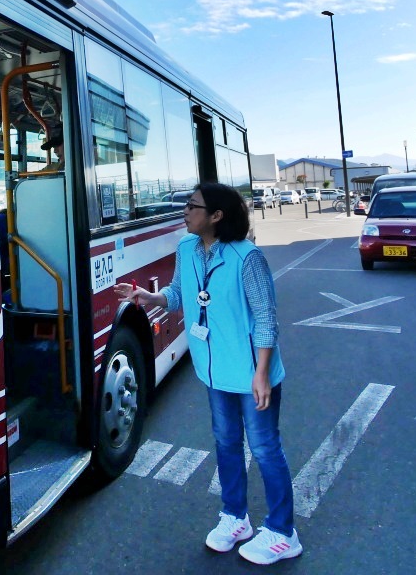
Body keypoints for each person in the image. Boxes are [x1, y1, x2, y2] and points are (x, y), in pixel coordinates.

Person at [113, 182, 301, 565]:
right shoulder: (186, 248)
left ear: (216, 216)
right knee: (227, 442)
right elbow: (179, 294)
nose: (184, 210)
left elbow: (266, 318)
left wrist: (262, 373)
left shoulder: (247, 258)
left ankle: (283, 531)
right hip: (214, 370)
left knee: (264, 448)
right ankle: (235, 518)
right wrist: (151, 298)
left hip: (251, 373)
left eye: (191, 205)